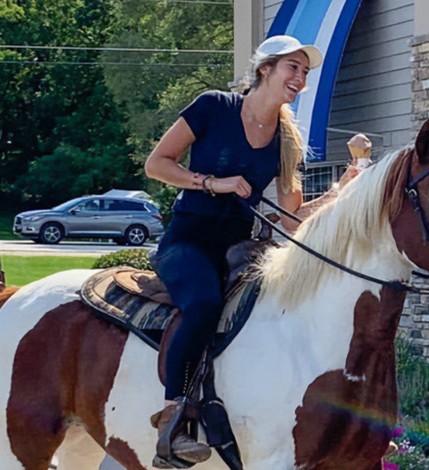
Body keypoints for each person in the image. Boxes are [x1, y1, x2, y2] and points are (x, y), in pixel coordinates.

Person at [144, 35, 336, 465]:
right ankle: (174, 420)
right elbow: (157, 164)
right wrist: (212, 182)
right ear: (265, 68)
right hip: (188, 241)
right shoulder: (214, 106)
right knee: (204, 303)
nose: (301, 79)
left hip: (241, 248)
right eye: (293, 68)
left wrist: (343, 194)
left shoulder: (286, 140)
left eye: (305, 72)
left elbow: (290, 219)